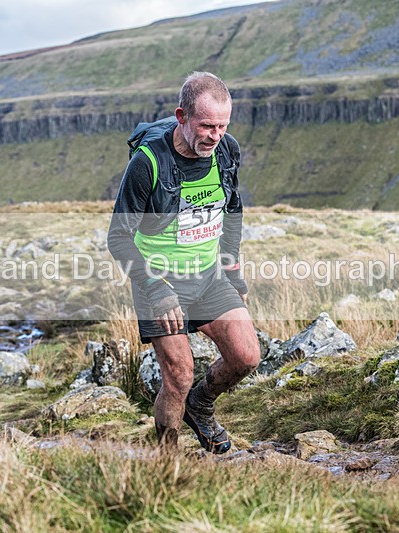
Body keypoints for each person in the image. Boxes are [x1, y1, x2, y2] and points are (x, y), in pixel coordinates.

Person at [108, 72, 260, 453]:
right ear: (182, 116)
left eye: (222, 126)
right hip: (159, 281)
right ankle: (167, 462)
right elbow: (118, 237)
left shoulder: (226, 150)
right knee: (178, 375)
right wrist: (156, 290)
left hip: (209, 278)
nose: (215, 135)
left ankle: (201, 404)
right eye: (206, 125)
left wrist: (233, 274)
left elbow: (232, 213)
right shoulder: (148, 163)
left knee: (246, 357)